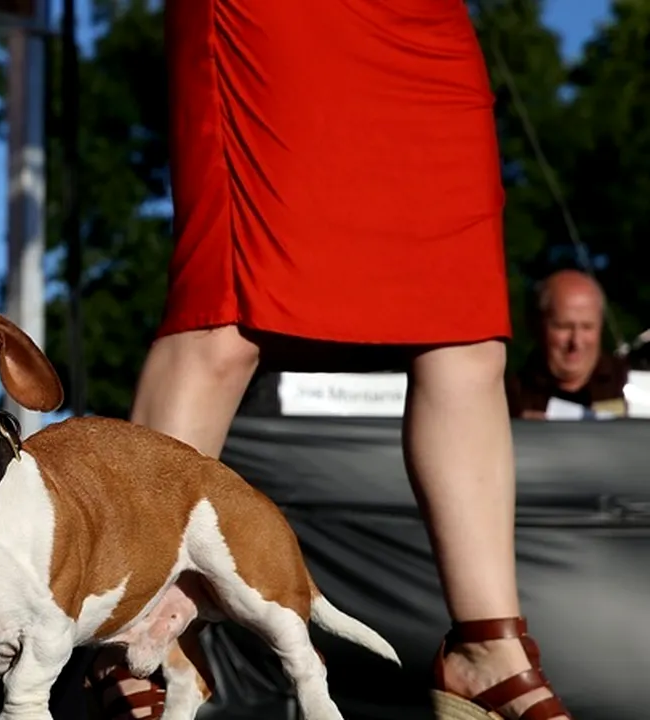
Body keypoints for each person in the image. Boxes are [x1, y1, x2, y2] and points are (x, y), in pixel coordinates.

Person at [86, 2, 572, 720]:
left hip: (420, 25)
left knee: (464, 332)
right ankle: (128, 626)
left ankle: (487, 650)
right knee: (225, 312)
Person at [507, 270, 629, 419]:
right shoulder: (508, 396)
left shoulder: (631, 387)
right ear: (536, 326)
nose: (576, 342)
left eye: (587, 327)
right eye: (564, 327)